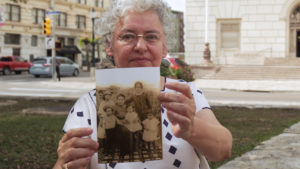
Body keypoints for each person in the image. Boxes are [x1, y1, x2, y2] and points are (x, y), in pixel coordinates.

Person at [53, 0, 232, 169]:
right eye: (128, 36)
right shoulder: (89, 105)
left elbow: (223, 149)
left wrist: (192, 128)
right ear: (109, 46)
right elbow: (65, 164)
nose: (140, 46)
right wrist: (64, 163)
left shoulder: (185, 94)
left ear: (164, 47)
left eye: (151, 37)